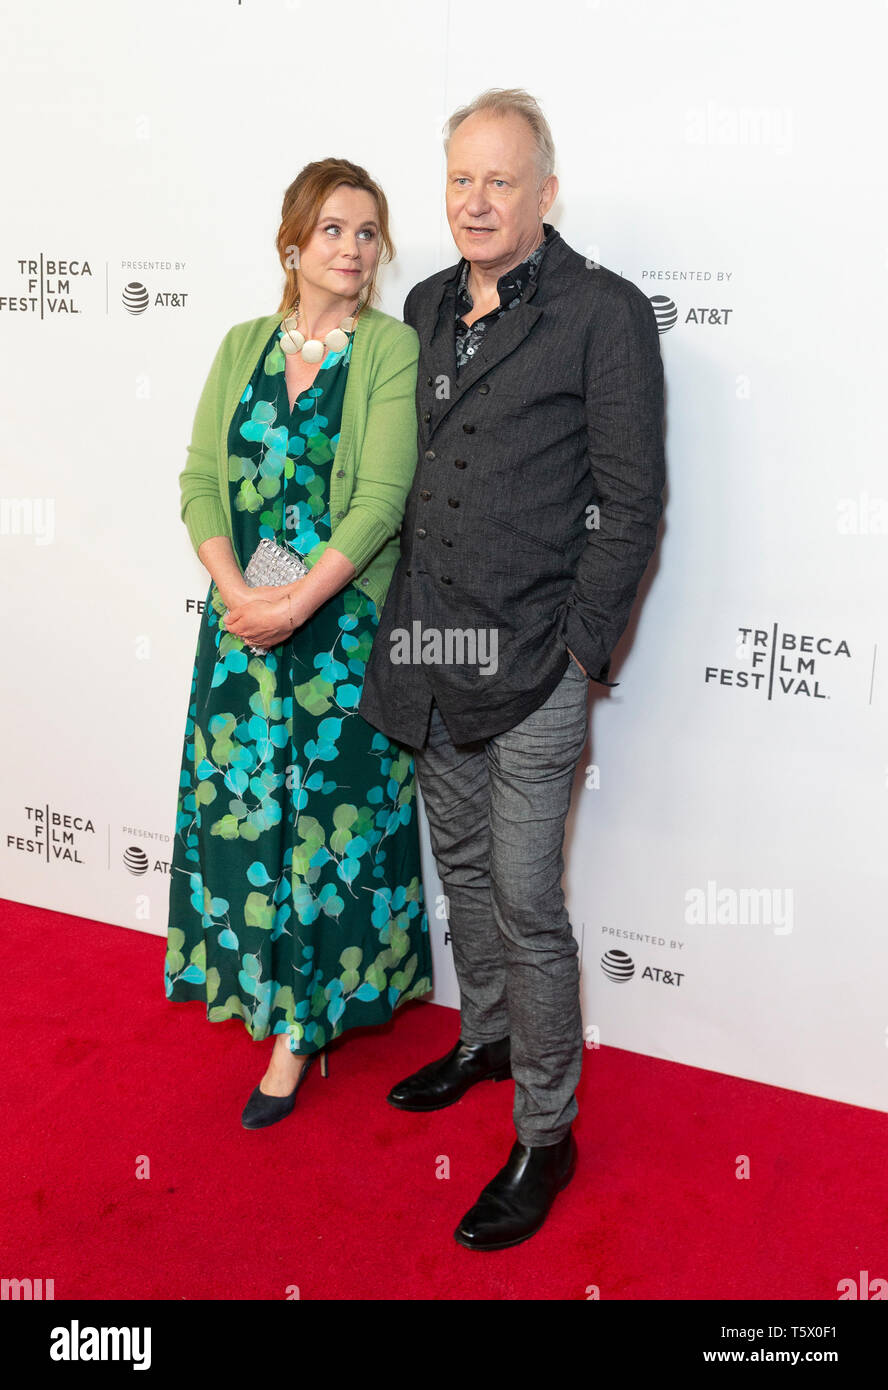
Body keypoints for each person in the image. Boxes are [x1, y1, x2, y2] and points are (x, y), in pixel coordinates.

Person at [358, 89, 666, 1250]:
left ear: (547, 191)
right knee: (466, 866)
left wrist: (582, 648)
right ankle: (483, 1038)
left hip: (534, 658)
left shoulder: (603, 312)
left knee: (531, 900)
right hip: (430, 650)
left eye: (500, 180)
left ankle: (548, 1130)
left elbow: (632, 505)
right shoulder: (428, 303)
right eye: (459, 181)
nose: (476, 201)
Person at [165, 158, 432, 1130]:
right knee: (247, 821)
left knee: (329, 830)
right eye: (334, 230)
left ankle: (301, 1031)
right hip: (241, 633)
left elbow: (380, 501)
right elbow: (199, 480)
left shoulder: (391, 350)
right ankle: (259, 987)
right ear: (293, 243)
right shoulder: (242, 344)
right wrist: (240, 592)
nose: (354, 249)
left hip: (338, 638)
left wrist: (296, 602)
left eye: (368, 232)